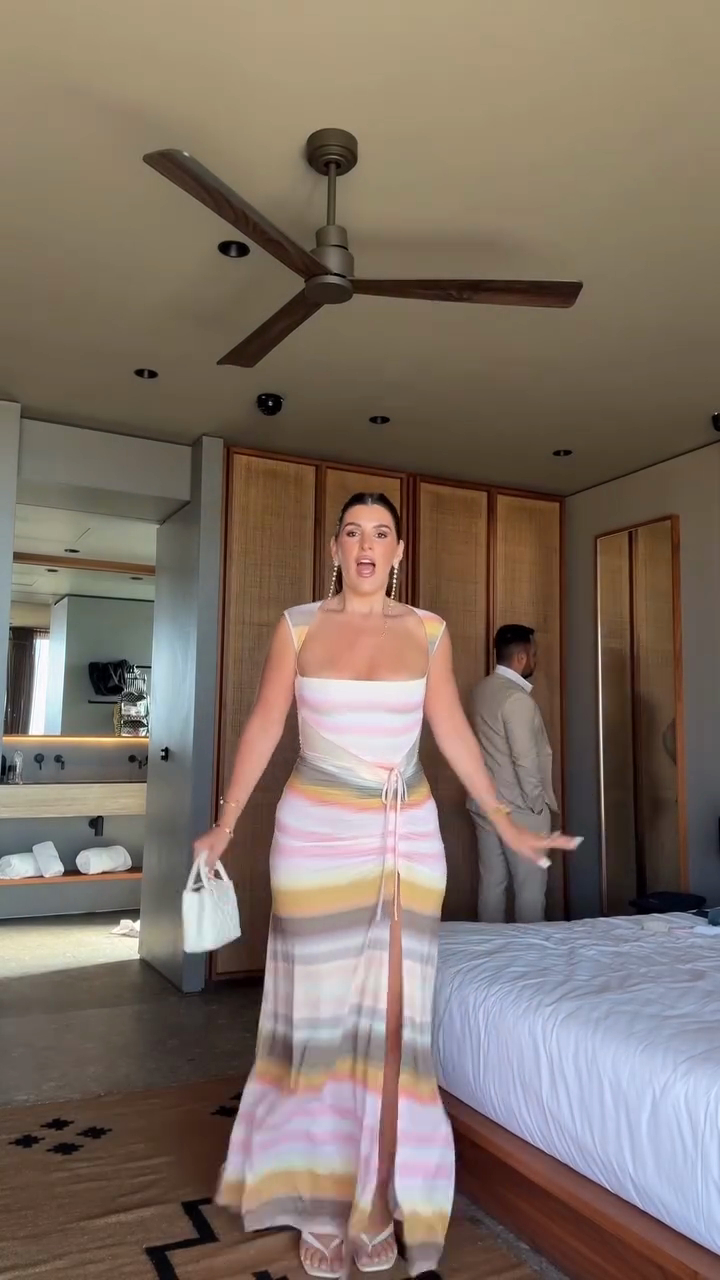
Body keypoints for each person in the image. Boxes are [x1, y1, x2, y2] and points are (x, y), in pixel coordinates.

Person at [193, 495, 578, 1280]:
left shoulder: (428, 631)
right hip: (315, 838)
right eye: (352, 533)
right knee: (319, 1027)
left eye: (381, 534)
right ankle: (319, 1204)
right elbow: (265, 724)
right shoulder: (299, 627)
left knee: (393, 1029)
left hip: (406, 838)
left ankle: (373, 1203)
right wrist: (224, 825)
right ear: (334, 547)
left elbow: (452, 731)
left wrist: (508, 822)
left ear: (399, 552)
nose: (366, 545)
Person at [467, 624, 558, 924]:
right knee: (530, 893)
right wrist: (537, 804)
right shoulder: (517, 700)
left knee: (491, 886)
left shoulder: (480, 691)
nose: (535, 660)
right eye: (534, 654)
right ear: (521, 657)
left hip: (485, 804)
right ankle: (531, 952)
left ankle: (490, 950)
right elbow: (524, 759)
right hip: (520, 809)